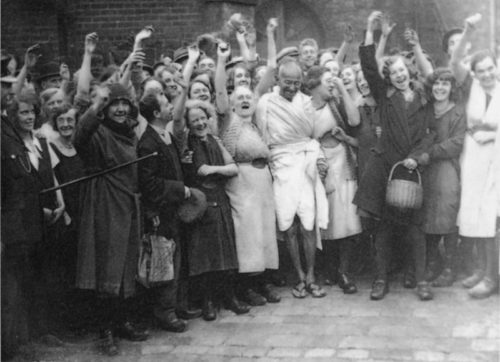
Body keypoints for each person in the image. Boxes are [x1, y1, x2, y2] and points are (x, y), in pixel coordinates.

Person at [354, 11, 436, 301]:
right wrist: (370, 31)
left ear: (408, 71)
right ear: (388, 76)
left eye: (403, 70)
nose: (399, 75)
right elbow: (368, 67)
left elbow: (431, 134)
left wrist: (418, 156)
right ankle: (380, 279)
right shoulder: (384, 95)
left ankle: (422, 280)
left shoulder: (424, 96)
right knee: (385, 229)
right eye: (394, 72)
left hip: (413, 170)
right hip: (387, 169)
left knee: (416, 229)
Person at [73, 83, 148, 355]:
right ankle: (105, 329)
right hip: (104, 203)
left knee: (126, 264)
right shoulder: (97, 130)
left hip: (127, 202)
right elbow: (79, 137)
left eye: (124, 103)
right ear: (105, 108)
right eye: (114, 104)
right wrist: (95, 106)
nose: (120, 109)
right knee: (107, 266)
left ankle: (122, 321)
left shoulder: (130, 132)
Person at [255, 58, 329, 299]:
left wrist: (316, 157)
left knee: (308, 221)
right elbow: (264, 137)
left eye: (297, 82)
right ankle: (298, 276)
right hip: (281, 164)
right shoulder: (266, 102)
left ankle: (311, 275)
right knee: (289, 224)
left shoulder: (306, 102)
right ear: (278, 80)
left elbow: (311, 134)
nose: (292, 87)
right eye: (288, 82)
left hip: (304, 162)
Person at [215, 40, 280, 306]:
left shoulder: (254, 122)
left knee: (264, 232)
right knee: (247, 236)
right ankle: (246, 287)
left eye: (248, 97)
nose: (245, 100)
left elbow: (270, 73)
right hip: (241, 183)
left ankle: (262, 281)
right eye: (239, 97)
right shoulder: (228, 120)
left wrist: (271, 37)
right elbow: (219, 89)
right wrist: (221, 60)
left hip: (262, 181)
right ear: (230, 102)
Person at [1, 91, 65, 359]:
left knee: (41, 276)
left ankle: (41, 331)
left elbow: (50, 176)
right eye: (22, 113)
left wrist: (60, 204)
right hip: (21, 222)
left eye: (30, 112)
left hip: (44, 219)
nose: (28, 117)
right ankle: (16, 344)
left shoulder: (40, 141)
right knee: (16, 284)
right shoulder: (8, 145)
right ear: (11, 117)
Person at [138, 87, 201, 332]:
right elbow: (150, 184)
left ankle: (179, 305)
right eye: (166, 104)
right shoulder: (147, 143)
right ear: (156, 112)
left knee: (178, 257)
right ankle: (165, 312)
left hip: (174, 211)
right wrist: (180, 189)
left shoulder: (165, 136)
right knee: (165, 262)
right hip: (161, 213)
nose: (171, 107)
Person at [180, 100, 249, 321]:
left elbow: (233, 167)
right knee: (204, 256)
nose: (200, 123)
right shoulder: (187, 143)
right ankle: (208, 301)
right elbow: (201, 170)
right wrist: (219, 171)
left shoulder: (215, 140)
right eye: (194, 120)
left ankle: (229, 298)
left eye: (203, 118)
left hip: (220, 200)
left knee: (225, 253)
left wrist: (216, 170)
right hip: (201, 204)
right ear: (188, 124)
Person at [451, 13, 499, 299]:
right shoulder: (472, 86)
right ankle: (482, 270)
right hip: (475, 159)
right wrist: (468, 32)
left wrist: (494, 134)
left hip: (498, 158)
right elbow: (455, 62)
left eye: (490, 69)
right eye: (481, 70)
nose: (486, 74)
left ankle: (493, 277)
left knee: (494, 217)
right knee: (478, 216)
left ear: (497, 67)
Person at [307, 66, 362, 294]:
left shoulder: (335, 102)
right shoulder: (304, 107)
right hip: (320, 164)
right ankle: (330, 268)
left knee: (348, 217)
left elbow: (354, 119)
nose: (331, 84)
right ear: (314, 85)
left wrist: (339, 86)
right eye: (327, 81)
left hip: (343, 160)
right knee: (327, 218)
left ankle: (344, 271)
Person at [419, 68, 466, 287]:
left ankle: (450, 266)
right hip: (425, 169)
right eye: (436, 83)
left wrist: (431, 152)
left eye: (445, 84)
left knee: (447, 211)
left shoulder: (458, 112)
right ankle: (432, 263)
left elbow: (457, 142)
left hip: (446, 167)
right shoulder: (425, 110)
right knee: (427, 213)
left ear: (451, 88)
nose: (440, 88)